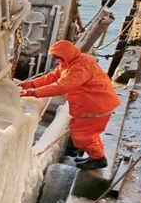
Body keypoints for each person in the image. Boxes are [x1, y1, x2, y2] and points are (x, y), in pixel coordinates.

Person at [19, 39, 121, 170]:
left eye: (57, 58)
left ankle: (99, 159)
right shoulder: (68, 63)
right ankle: (95, 156)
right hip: (93, 105)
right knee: (90, 135)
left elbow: (62, 86)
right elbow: (52, 77)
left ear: (65, 55)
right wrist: (30, 84)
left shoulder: (81, 66)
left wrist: (33, 92)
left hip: (97, 107)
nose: (56, 61)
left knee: (82, 136)